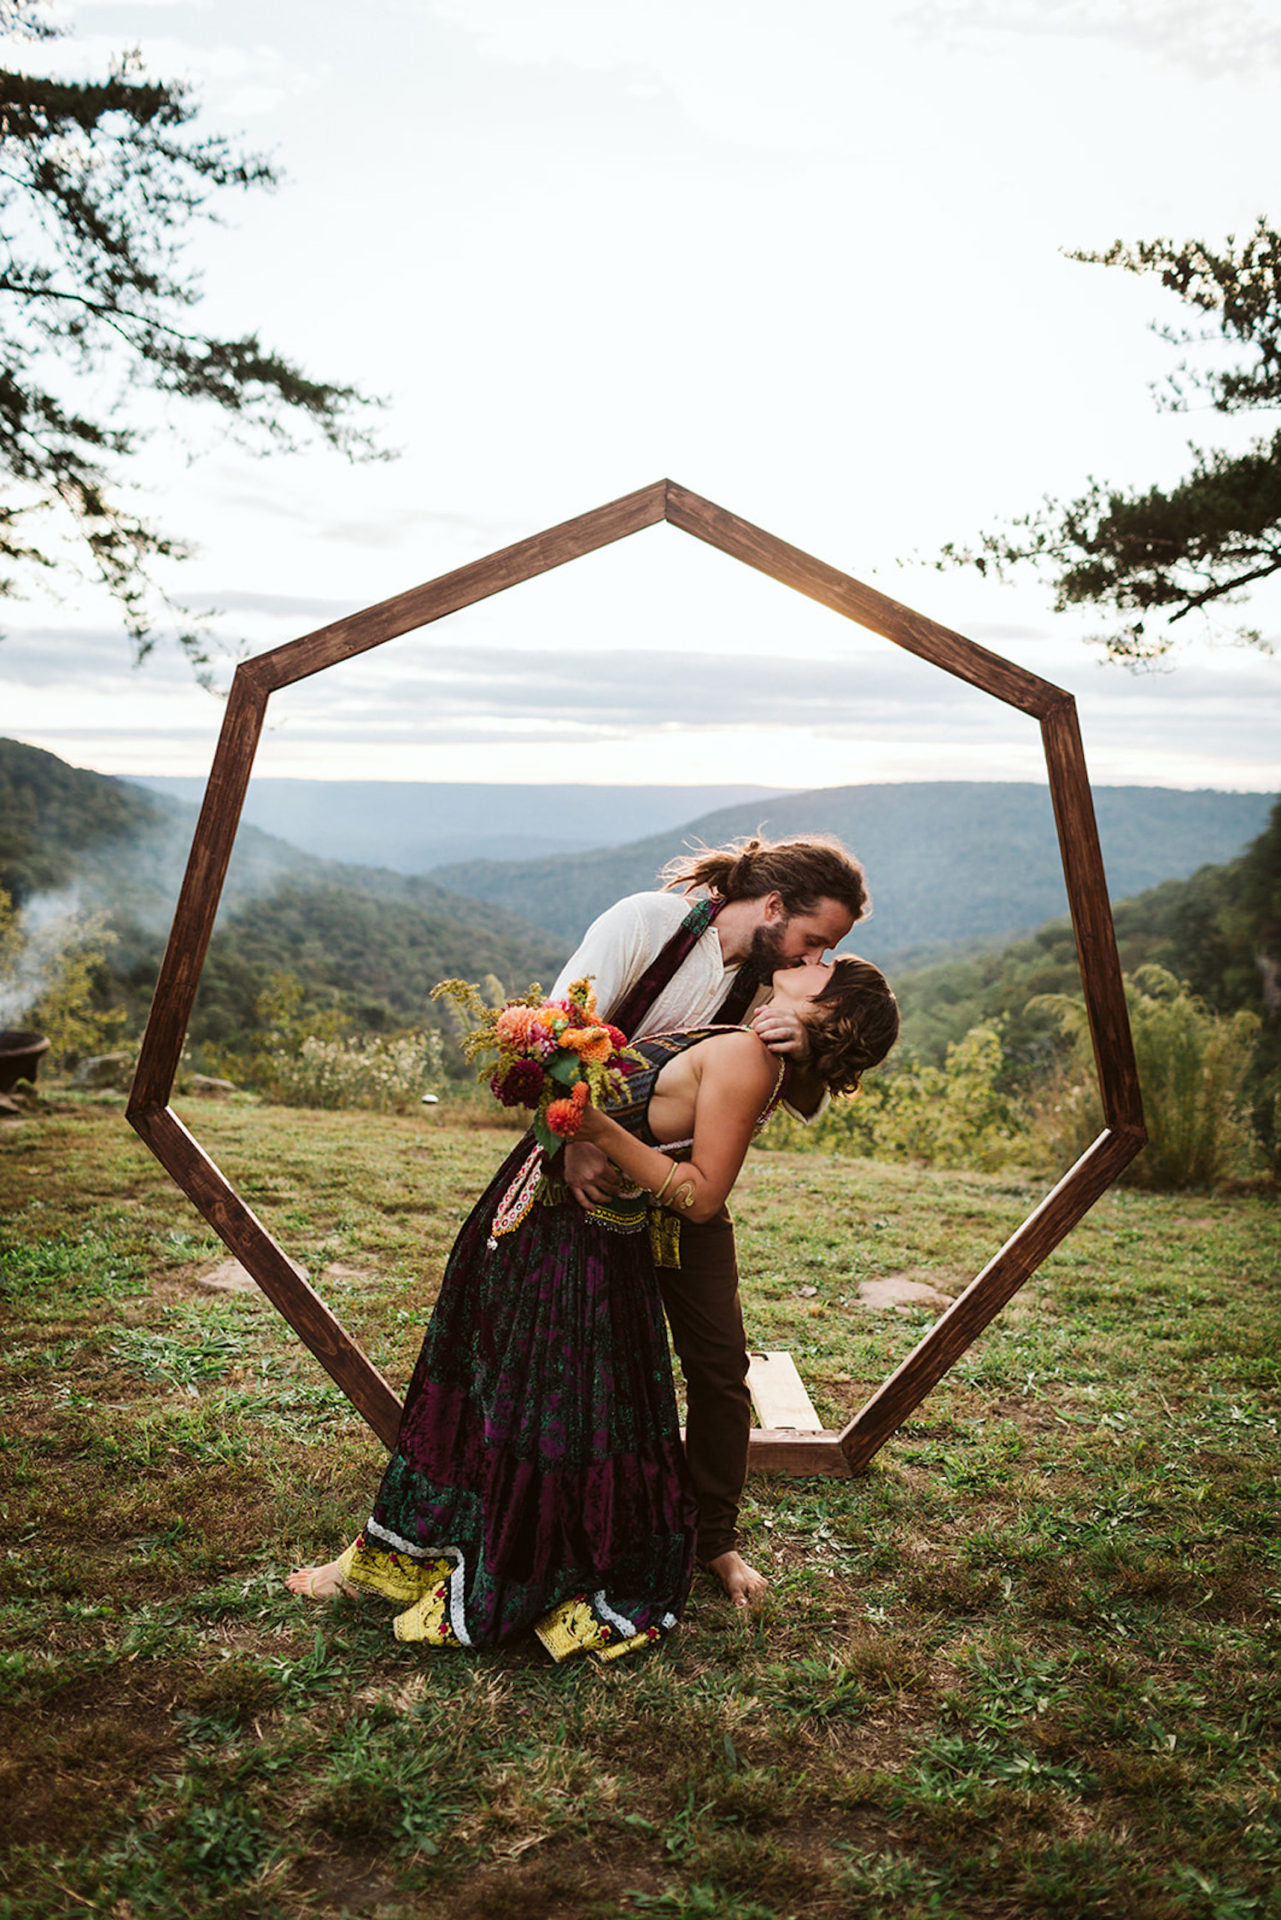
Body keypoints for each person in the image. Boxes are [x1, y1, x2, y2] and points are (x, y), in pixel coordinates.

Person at [287, 953, 899, 1664]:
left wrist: (596, 1129)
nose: (809, 956)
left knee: (674, 1378)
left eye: (824, 963)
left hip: (610, 1229)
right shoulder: (738, 1009)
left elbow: (701, 1193)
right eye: (816, 942)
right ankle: (465, 1537)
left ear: (827, 1009)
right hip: (563, 1222)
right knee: (526, 1393)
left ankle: (690, 1545)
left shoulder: (749, 1054)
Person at [550, 834, 870, 1606]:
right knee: (583, 1360)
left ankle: (713, 1540)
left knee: (721, 1370)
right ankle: (572, 1520)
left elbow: (796, 1095)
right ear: (771, 906)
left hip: (687, 1192)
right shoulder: (645, 923)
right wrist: (567, 1145)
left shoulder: (780, 983)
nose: (814, 956)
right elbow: (550, 1034)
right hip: (583, 1167)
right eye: (813, 938)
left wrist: (805, 1048)